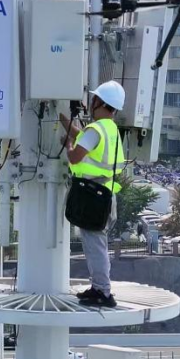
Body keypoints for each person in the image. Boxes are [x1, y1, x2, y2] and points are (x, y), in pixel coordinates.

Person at [59, 80, 127, 308]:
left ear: (99, 102)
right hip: (104, 194)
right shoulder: (109, 129)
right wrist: (63, 120)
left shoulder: (96, 130)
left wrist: (68, 144)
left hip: (93, 195)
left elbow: (75, 156)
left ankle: (103, 292)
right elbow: (84, 139)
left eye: (94, 98)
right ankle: (99, 288)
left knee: (95, 245)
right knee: (97, 243)